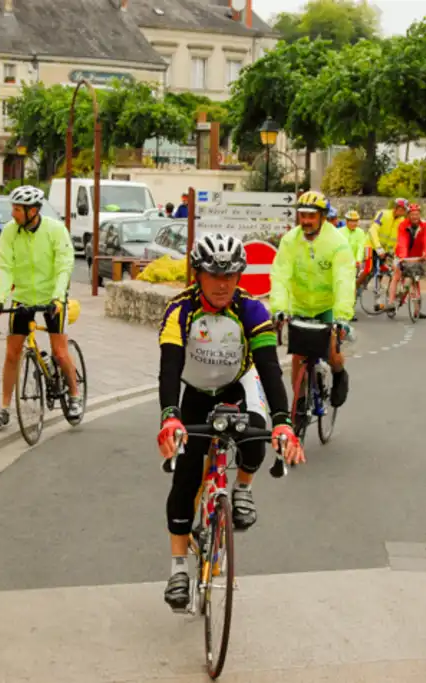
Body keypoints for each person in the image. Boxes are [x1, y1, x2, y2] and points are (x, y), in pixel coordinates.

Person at [157, 233, 304, 610]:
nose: (223, 284)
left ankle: (242, 488)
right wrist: (169, 416)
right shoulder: (180, 310)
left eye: (232, 275)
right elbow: (170, 368)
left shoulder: (252, 310)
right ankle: (177, 569)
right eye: (214, 275)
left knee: (256, 436)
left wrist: (284, 422)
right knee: (186, 475)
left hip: (237, 385)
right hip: (194, 391)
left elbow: (270, 369)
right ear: (198, 275)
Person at [0, 185, 79, 428]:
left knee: (60, 352)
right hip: (24, 297)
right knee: (11, 354)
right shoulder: (10, 232)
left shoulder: (55, 230)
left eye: (17, 210)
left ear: (33, 211)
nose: (13, 214)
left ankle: (74, 395)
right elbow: (5, 268)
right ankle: (4, 408)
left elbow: (64, 266)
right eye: (13, 209)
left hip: (52, 297)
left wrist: (59, 297)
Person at [270, 191, 355, 408]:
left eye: (311, 216)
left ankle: (339, 374)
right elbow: (281, 275)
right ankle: (299, 403)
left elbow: (343, 280)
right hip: (300, 306)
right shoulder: (290, 241)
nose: (306, 221)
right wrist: (279, 308)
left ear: (323, 217)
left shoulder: (338, 242)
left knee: (332, 352)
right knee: (298, 356)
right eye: (302, 215)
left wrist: (342, 316)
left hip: (327, 306)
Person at [386, 202, 426, 319]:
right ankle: (391, 302)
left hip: (416, 256)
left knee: (414, 279)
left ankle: (417, 309)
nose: (414, 217)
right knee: (397, 276)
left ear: (420, 214)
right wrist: (402, 256)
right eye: (412, 214)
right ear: (408, 215)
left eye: (417, 214)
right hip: (403, 256)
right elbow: (402, 242)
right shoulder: (403, 225)